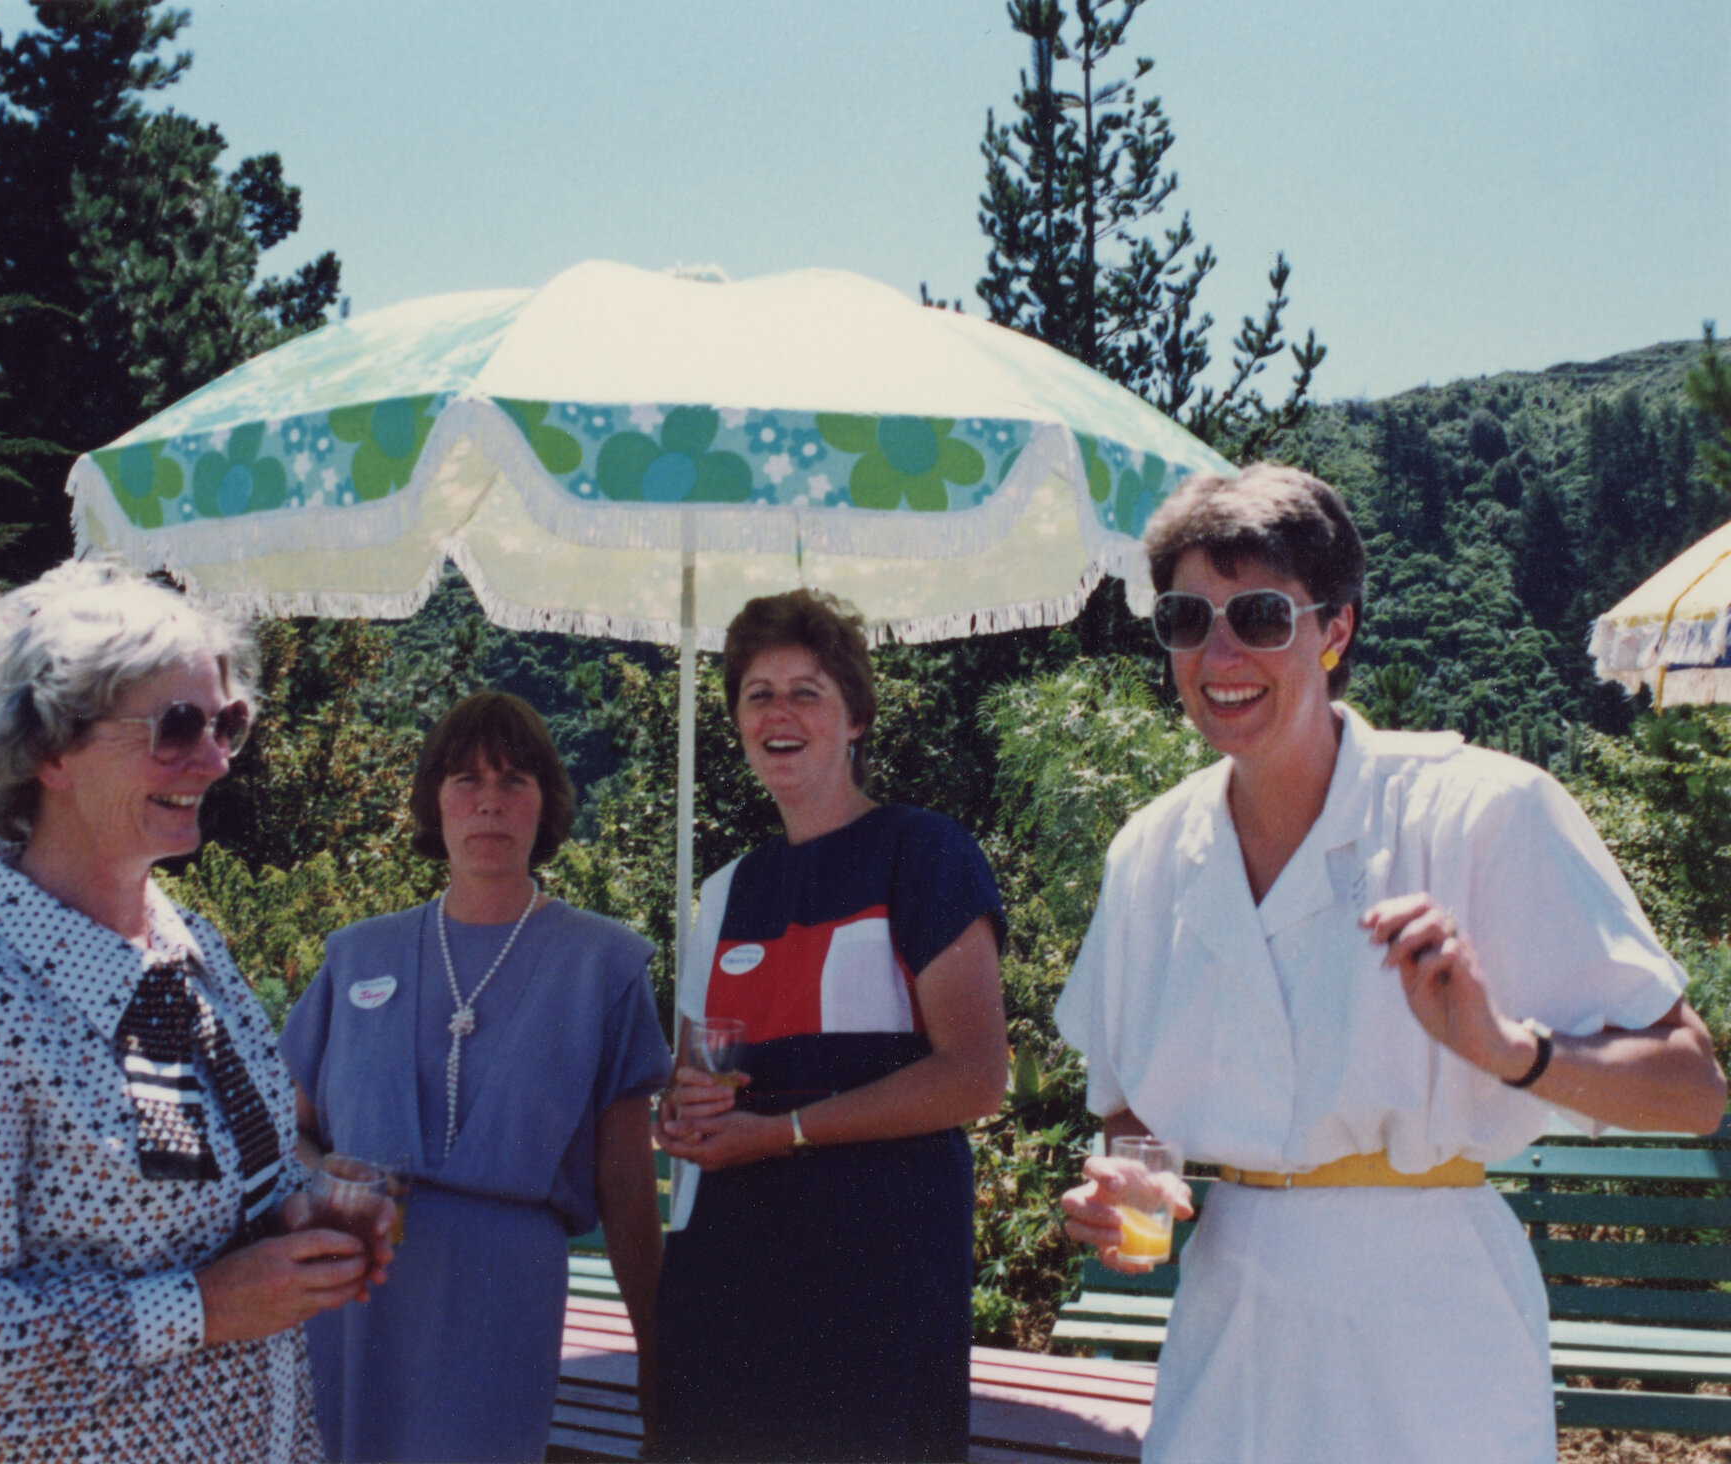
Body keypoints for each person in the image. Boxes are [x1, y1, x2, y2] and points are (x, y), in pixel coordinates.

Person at [1054, 464, 1728, 1464]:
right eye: (1186, 619)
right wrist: (1126, 1188)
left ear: (1335, 629)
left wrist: (1508, 1051)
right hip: (1230, 1332)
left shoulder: (1481, 811)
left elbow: (1692, 1091)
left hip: (1430, 1339)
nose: (1219, 652)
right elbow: (1131, 1113)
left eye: (1260, 616)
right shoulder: (1148, 854)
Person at [0, 561, 391, 1464]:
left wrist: (293, 1216)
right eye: (175, 727)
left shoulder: (190, 949)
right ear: (50, 750)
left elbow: (218, 1188)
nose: (214, 759)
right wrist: (204, 1308)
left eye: (228, 723)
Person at [654, 589, 1008, 1464]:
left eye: (806, 691)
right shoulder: (726, 889)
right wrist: (681, 1107)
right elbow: (697, 1075)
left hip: (875, 1265)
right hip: (734, 1265)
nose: (778, 712)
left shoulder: (923, 853)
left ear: (854, 718)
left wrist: (780, 1134)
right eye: (757, 693)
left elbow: (975, 1076)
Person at [279, 690, 669, 1463]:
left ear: (546, 805)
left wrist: (659, 1354)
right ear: (434, 803)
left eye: (514, 781)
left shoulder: (606, 966)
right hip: (350, 1288)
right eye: (466, 780)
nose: (489, 802)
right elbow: (287, 1133)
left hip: (501, 1301)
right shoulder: (356, 955)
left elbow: (626, 1184)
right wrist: (328, 1175)